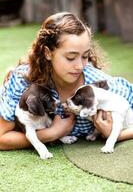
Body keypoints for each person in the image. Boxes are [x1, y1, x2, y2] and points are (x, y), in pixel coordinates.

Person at [0, 12, 133, 151]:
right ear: (47, 53)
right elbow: (1, 139)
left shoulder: (102, 87)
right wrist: (51, 134)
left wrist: (116, 134)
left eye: (85, 56)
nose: (80, 66)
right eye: (71, 57)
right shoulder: (24, 83)